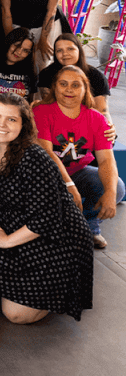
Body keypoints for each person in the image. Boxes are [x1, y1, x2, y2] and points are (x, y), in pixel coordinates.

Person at [0, 93, 94, 323]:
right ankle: (23, 290)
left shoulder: (35, 158)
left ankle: (59, 292)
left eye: (11, 119)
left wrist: (6, 241)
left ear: (23, 125)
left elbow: (45, 220)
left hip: (56, 240)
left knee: (16, 315)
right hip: (20, 228)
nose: (1, 124)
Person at [33, 65, 124, 249]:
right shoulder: (41, 111)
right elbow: (47, 153)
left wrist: (110, 193)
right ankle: (58, 228)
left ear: (85, 89)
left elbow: (106, 160)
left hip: (78, 172)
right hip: (46, 175)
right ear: (54, 87)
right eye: (63, 84)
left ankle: (88, 226)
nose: (69, 89)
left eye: (75, 85)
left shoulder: (97, 119)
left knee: (117, 187)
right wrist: (69, 185)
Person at [36, 34, 114, 127]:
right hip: (57, 122)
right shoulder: (47, 74)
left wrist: (108, 129)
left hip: (89, 123)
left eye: (70, 49)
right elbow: (49, 106)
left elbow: (102, 111)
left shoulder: (96, 76)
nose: (65, 53)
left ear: (79, 51)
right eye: (59, 50)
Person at [0, 28, 37, 100]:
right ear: (9, 42)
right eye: (17, 46)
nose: (19, 52)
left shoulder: (31, 69)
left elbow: (32, 100)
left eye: (25, 50)